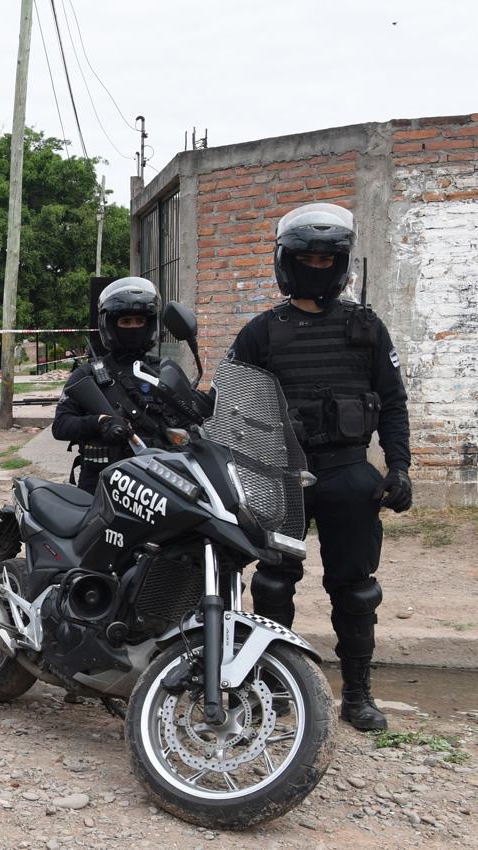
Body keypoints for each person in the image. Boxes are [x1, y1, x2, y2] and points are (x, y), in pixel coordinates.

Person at [227, 202, 411, 732]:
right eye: (306, 258)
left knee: (356, 589)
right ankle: (271, 689)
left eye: (325, 259)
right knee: (273, 585)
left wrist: (398, 467)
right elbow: (230, 407)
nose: (315, 267)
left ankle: (358, 694)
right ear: (287, 262)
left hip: (350, 474)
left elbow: (393, 403)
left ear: (341, 263)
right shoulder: (262, 332)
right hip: (282, 478)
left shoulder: (366, 329)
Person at [51, 277, 203, 493]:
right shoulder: (88, 374)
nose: (134, 327)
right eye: (126, 322)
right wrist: (99, 423)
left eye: (139, 321)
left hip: (159, 483)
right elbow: (61, 425)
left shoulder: (165, 371)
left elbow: (192, 420)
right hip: (102, 482)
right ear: (111, 325)